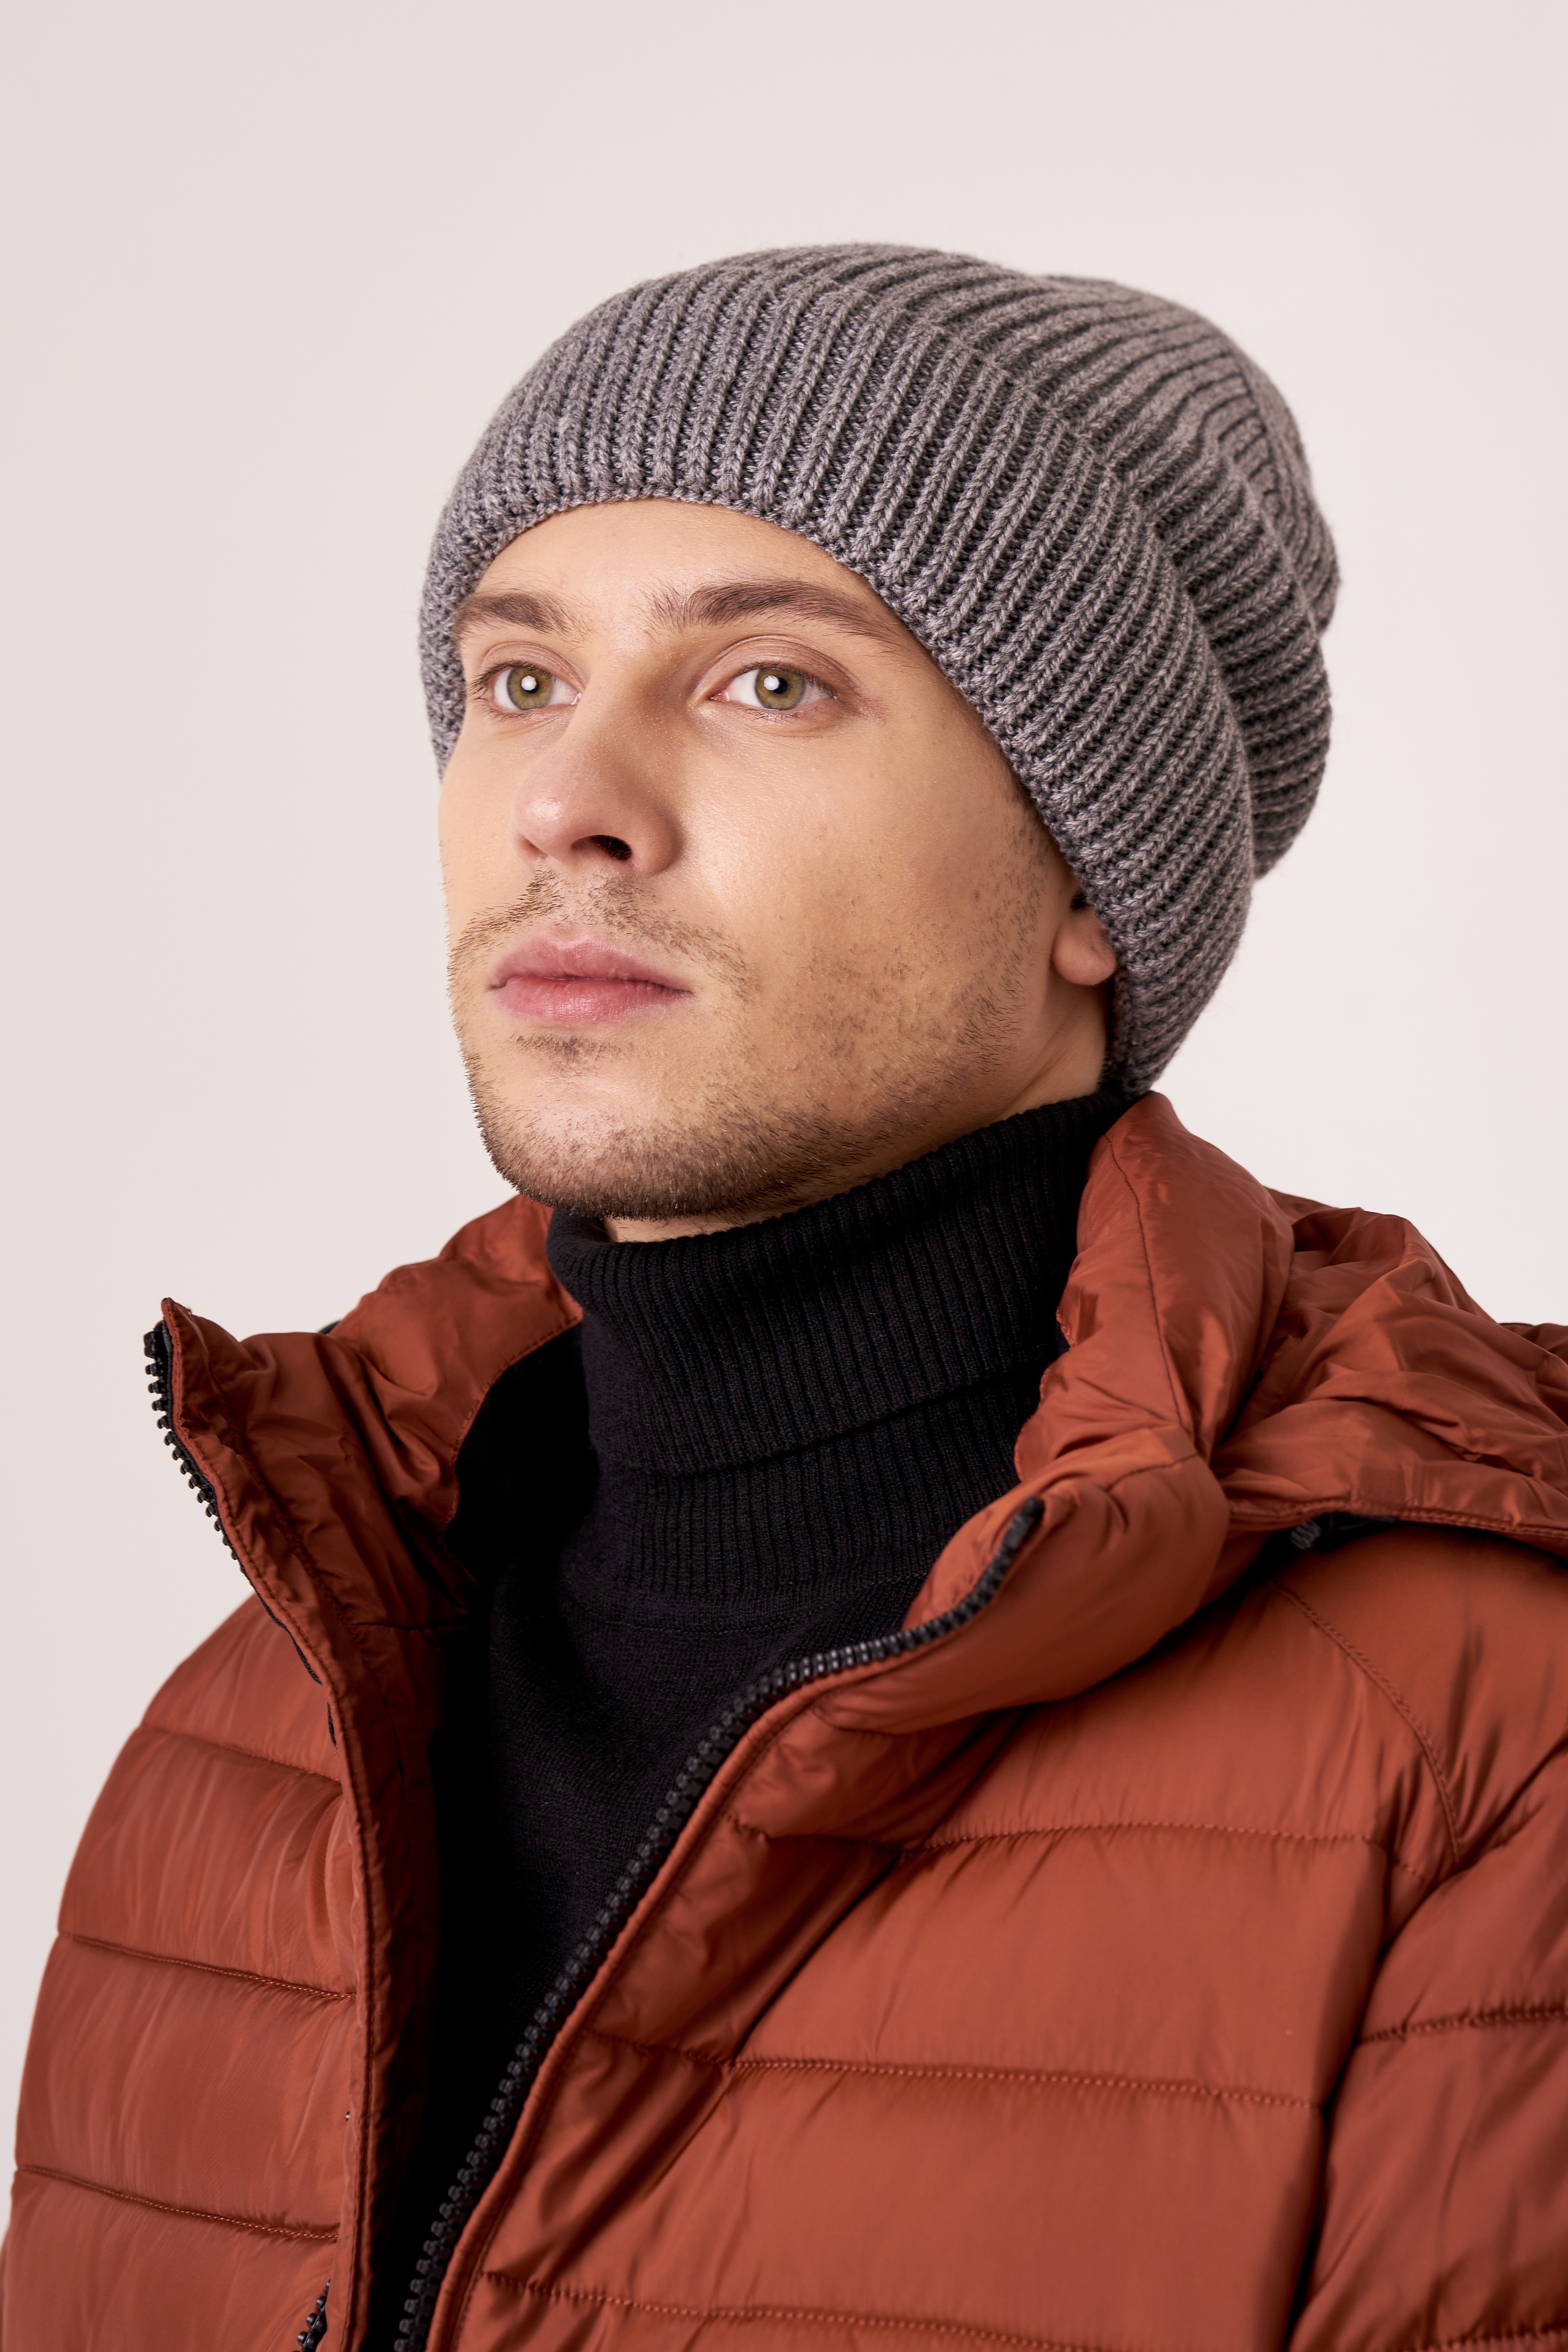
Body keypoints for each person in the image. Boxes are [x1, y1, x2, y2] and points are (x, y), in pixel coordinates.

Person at [5, 246, 1567, 2352]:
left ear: (1090, 879)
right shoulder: (261, 1723)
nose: (563, 803)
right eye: (518, 679)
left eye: (767, 684)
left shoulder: (1481, 1731)